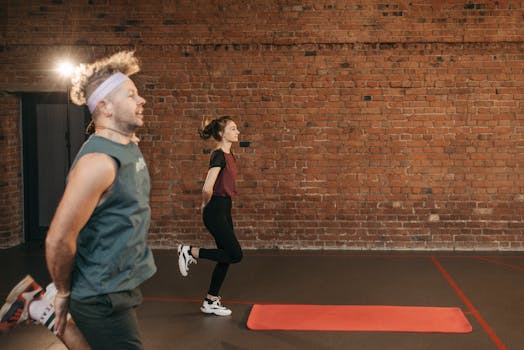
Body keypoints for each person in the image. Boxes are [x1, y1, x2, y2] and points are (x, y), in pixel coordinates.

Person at [1, 51, 157, 350]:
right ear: (105, 107)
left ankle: (37, 308)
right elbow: (58, 239)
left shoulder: (125, 144)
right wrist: (62, 293)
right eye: (131, 95)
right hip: (101, 293)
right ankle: (47, 303)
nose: (142, 101)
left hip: (120, 282)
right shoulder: (97, 163)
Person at [178, 116, 243, 316]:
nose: (237, 132)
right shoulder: (218, 156)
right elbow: (208, 187)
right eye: (233, 128)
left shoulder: (230, 154)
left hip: (224, 208)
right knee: (235, 254)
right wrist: (205, 204)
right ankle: (189, 251)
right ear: (222, 134)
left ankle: (210, 301)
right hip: (215, 209)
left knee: (226, 257)